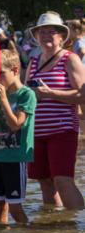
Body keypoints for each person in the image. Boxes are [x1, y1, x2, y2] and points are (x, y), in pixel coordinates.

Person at [25, 12, 85, 209]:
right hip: (36, 132)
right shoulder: (33, 62)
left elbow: (82, 95)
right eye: (42, 32)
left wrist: (50, 93)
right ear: (36, 36)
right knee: (45, 182)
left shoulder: (70, 59)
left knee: (63, 180)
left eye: (51, 31)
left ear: (61, 36)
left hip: (63, 130)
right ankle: (56, 230)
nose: (46, 35)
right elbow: (25, 96)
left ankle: (78, 227)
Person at [0, 48, 36, 224]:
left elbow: (16, 124)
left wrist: (3, 101)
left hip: (15, 158)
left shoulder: (26, 94)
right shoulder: (1, 94)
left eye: (0, 74)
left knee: (15, 208)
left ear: (15, 70)